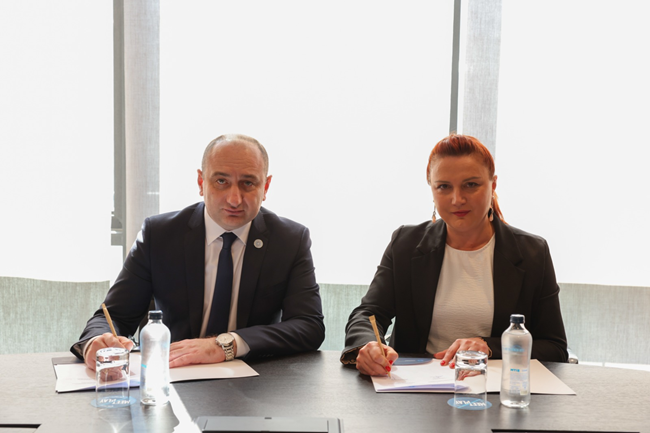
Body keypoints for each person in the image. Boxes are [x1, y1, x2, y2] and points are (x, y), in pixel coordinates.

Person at [72, 134, 325, 371]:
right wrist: (97, 341)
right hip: (174, 375)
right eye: (221, 181)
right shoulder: (159, 235)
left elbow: (309, 326)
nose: (234, 199)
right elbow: (114, 316)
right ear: (201, 182)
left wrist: (227, 344)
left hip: (256, 380)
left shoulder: (289, 240)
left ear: (266, 187)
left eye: (248, 183)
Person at [342, 134, 568, 376]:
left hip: (493, 388)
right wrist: (369, 347)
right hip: (414, 389)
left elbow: (554, 348)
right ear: (431, 189)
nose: (457, 199)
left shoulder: (533, 253)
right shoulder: (405, 244)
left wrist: (489, 347)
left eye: (471, 185)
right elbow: (368, 314)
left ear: (493, 185)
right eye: (443, 187)